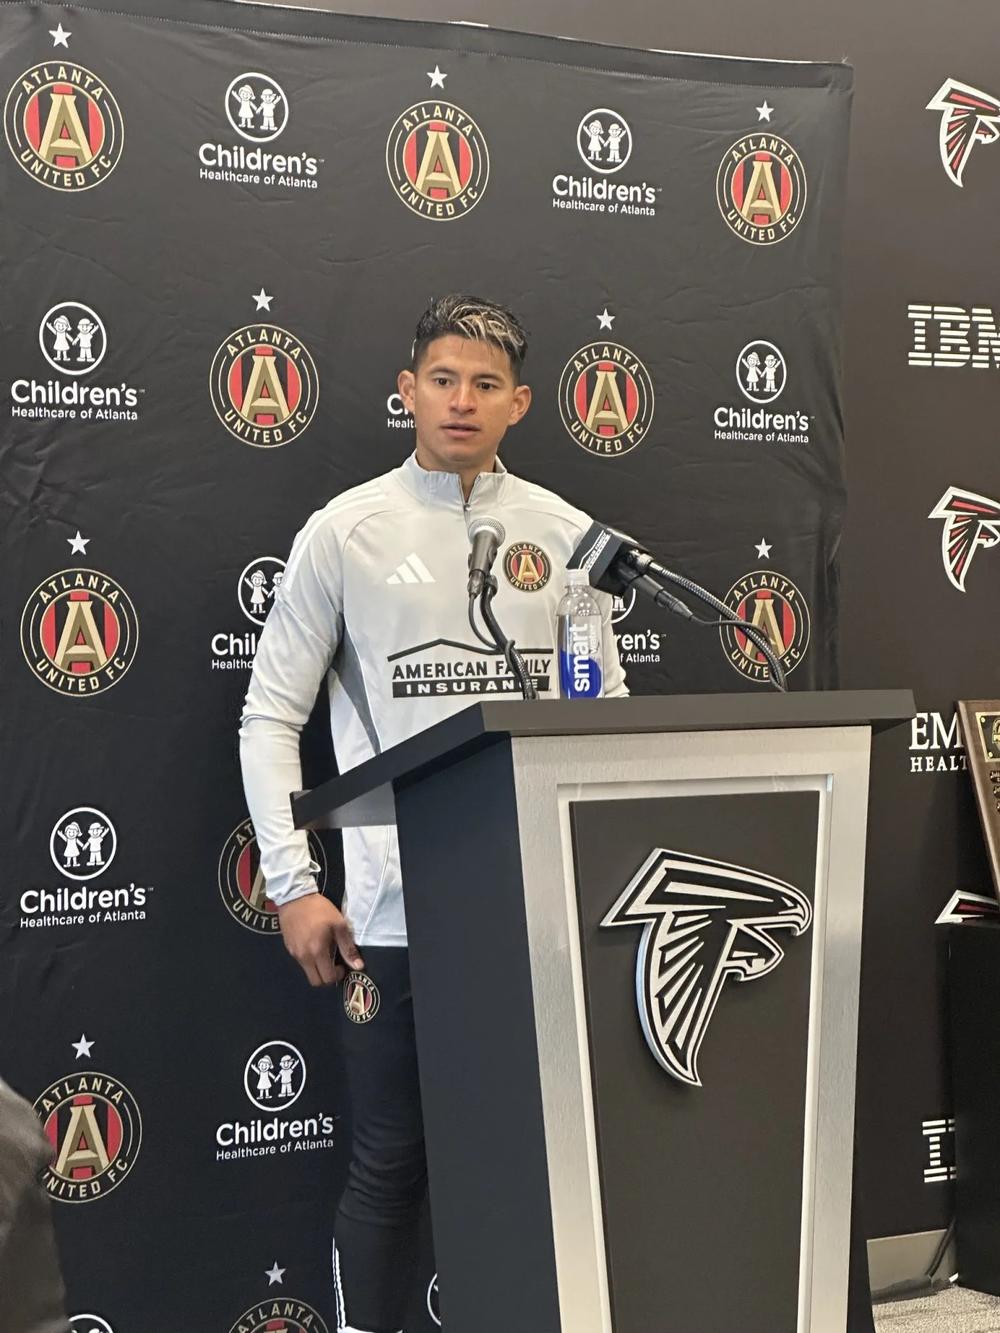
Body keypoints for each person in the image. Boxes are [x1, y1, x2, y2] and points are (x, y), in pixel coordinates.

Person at [239, 293, 627, 1333]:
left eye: (486, 384)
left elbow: (610, 720)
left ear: (521, 403)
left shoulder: (568, 536)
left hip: (539, 912)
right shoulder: (346, 530)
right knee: (389, 1167)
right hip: (393, 919)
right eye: (443, 379)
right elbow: (270, 714)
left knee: (546, 1162)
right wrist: (294, 884)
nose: (462, 400)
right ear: (407, 390)